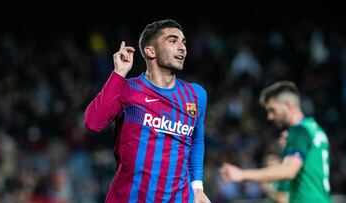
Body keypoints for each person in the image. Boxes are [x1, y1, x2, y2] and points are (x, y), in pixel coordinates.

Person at [84, 19, 210, 203]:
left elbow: (196, 141)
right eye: (173, 40)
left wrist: (197, 188)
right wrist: (118, 74)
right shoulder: (128, 89)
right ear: (150, 51)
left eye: (183, 42)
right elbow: (92, 123)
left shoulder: (196, 95)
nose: (182, 47)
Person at [220, 81, 331, 203]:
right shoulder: (315, 129)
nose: (270, 116)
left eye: (272, 110)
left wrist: (242, 174)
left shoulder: (298, 131)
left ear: (288, 105)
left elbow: (289, 171)